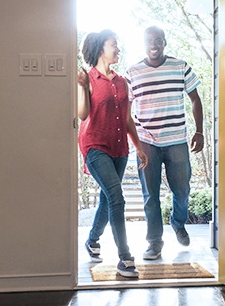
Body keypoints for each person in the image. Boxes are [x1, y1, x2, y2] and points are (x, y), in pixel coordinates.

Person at [125, 25, 204, 260]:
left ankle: (178, 223)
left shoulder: (180, 66)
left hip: (177, 140)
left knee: (182, 189)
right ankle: (154, 242)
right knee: (150, 195)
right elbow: (126, 113)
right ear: (143, 43)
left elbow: (195, 99)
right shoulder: (133, 72)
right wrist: (134, 143)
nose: (154, 44)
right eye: (149, 40)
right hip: (147, 142)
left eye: (158, 40)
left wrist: (199, 131)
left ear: (164, 43)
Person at [77, 29, 148, 278]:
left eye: (117, 45)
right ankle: (125, 258)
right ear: (100, 49)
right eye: (113, 45)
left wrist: (138, 147)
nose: (117, 49)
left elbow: (127, 119)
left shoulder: (121, 81)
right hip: (95, 146)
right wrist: (82, 87)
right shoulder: (87, 77)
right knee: (117, 198)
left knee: (108, 199)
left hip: (119, 147)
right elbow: (83, 114)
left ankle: (92, 239)